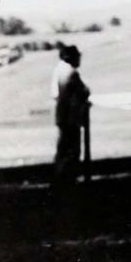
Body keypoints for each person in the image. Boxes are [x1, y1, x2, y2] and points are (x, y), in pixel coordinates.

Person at [51, 43, 90, 186]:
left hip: (62, 115)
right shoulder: (71, 72)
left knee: (62, 148)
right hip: (71, 117)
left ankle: (61, 177)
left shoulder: (59, 70)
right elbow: (84, 91)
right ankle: (68, 179)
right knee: (72, 149)